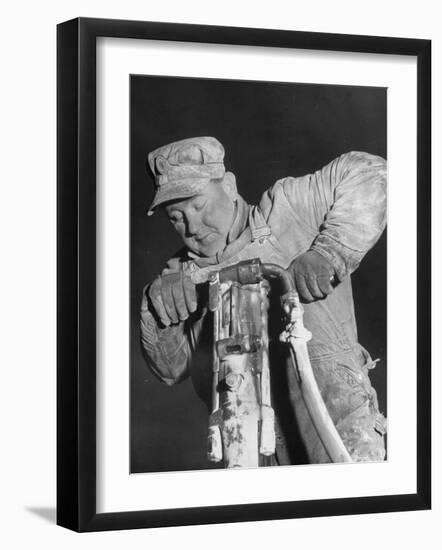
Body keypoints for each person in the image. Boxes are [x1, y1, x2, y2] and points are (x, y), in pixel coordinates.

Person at [140, 136, 387, 465]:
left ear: (228, 186)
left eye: (198, 206)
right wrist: (157, 313)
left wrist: (329, 252)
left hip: (336, 425)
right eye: (176, 217)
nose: (193, 227)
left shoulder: (289, 212)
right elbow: (171, 369)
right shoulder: (181, 276)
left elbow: (370, 172)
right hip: (250, 448)